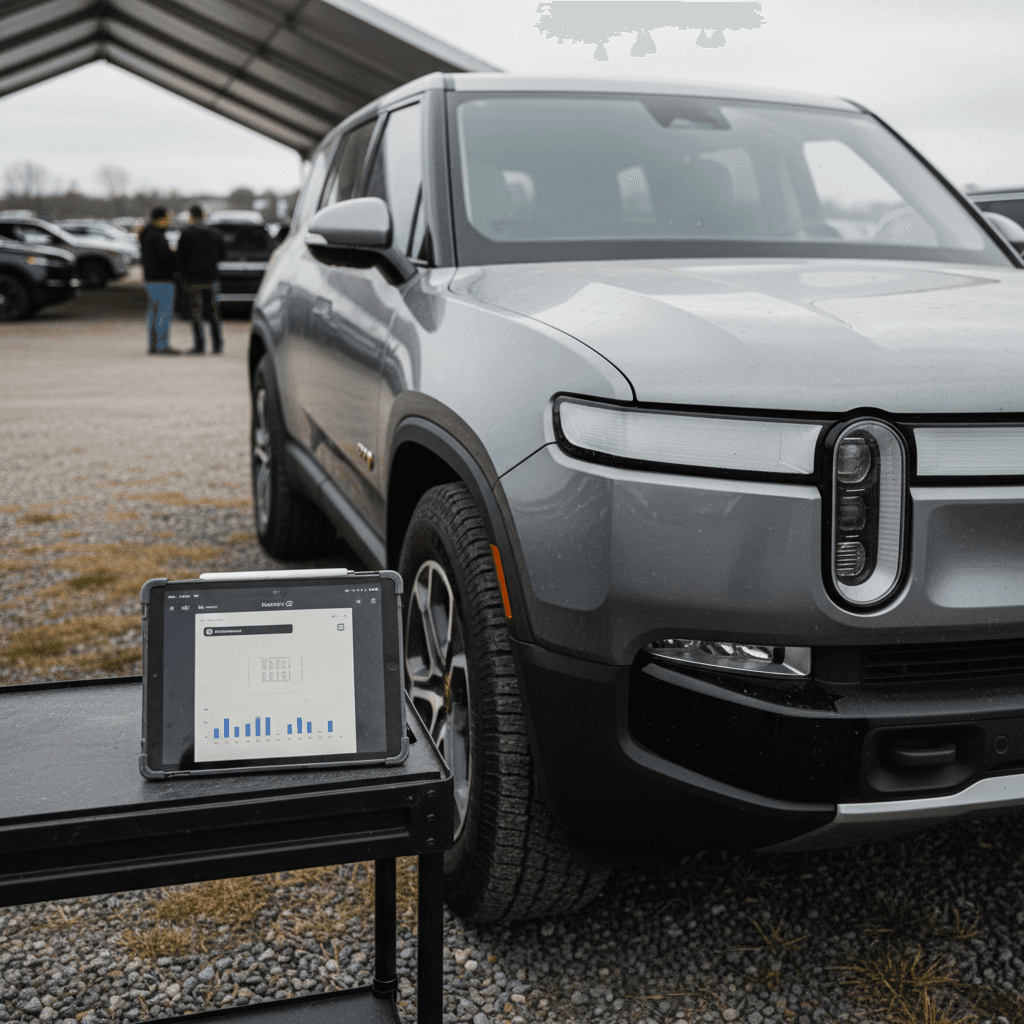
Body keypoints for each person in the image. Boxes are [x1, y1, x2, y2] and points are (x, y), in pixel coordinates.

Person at [176, 205, 226, 354]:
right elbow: (223, 254)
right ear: (203, 215)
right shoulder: (215, 233)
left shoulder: (186, 233)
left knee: (196, 313)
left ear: (191, 216)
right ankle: (217, 344)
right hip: (212, 278)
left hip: (193, 280)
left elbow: (180, 257)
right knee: (214, 313)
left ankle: (200, 345)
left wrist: (183, 273)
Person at [139, 207, 178, 354]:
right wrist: (175, 255)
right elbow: (164, 258)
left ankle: (153, 344)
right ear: (161, 219)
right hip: (162, 279)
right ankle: (162, 345)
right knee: (164, 314)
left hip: (150, 279)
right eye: (167, 218)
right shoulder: (157, 236)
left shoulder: (146, 234)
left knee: (153, 314)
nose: (169, 221)